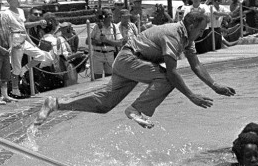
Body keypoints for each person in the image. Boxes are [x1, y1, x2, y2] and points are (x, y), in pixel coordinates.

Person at [35, 11, 235, 129]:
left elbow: (196, 64)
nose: (202, 33)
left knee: (104, 105)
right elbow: (173, 73)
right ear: (191, 25)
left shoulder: (187, 37)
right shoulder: (173, 34)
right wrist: (191, 96)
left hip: (131, 62)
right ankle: (136, 109)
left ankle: (55, 103)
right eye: (200, 29)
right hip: (130, 59)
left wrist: (215, 85)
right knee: (167, 79)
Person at [4, 0, 28, 98]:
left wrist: (31, 42)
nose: (18, 1)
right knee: (16, 67)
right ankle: (15, 90)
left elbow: (24, 27)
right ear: (8, 0)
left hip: (24, 38)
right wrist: (12, 44)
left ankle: (24, 70)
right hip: (15, 38)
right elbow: (6, 30)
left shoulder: (21, 11)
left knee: (40, 55)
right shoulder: (6, 13)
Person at [89, 9, 124, 79]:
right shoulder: (96, 27)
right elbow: (88, 41)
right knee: (97, 77)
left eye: (111, 14)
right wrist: (97, 41)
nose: (111, 16)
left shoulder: (114, 27)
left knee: (109, 77)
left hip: (110, 54)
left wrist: (106, 40)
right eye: (108, 14)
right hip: (97, 54)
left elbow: (120, 43)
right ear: (104, 16)